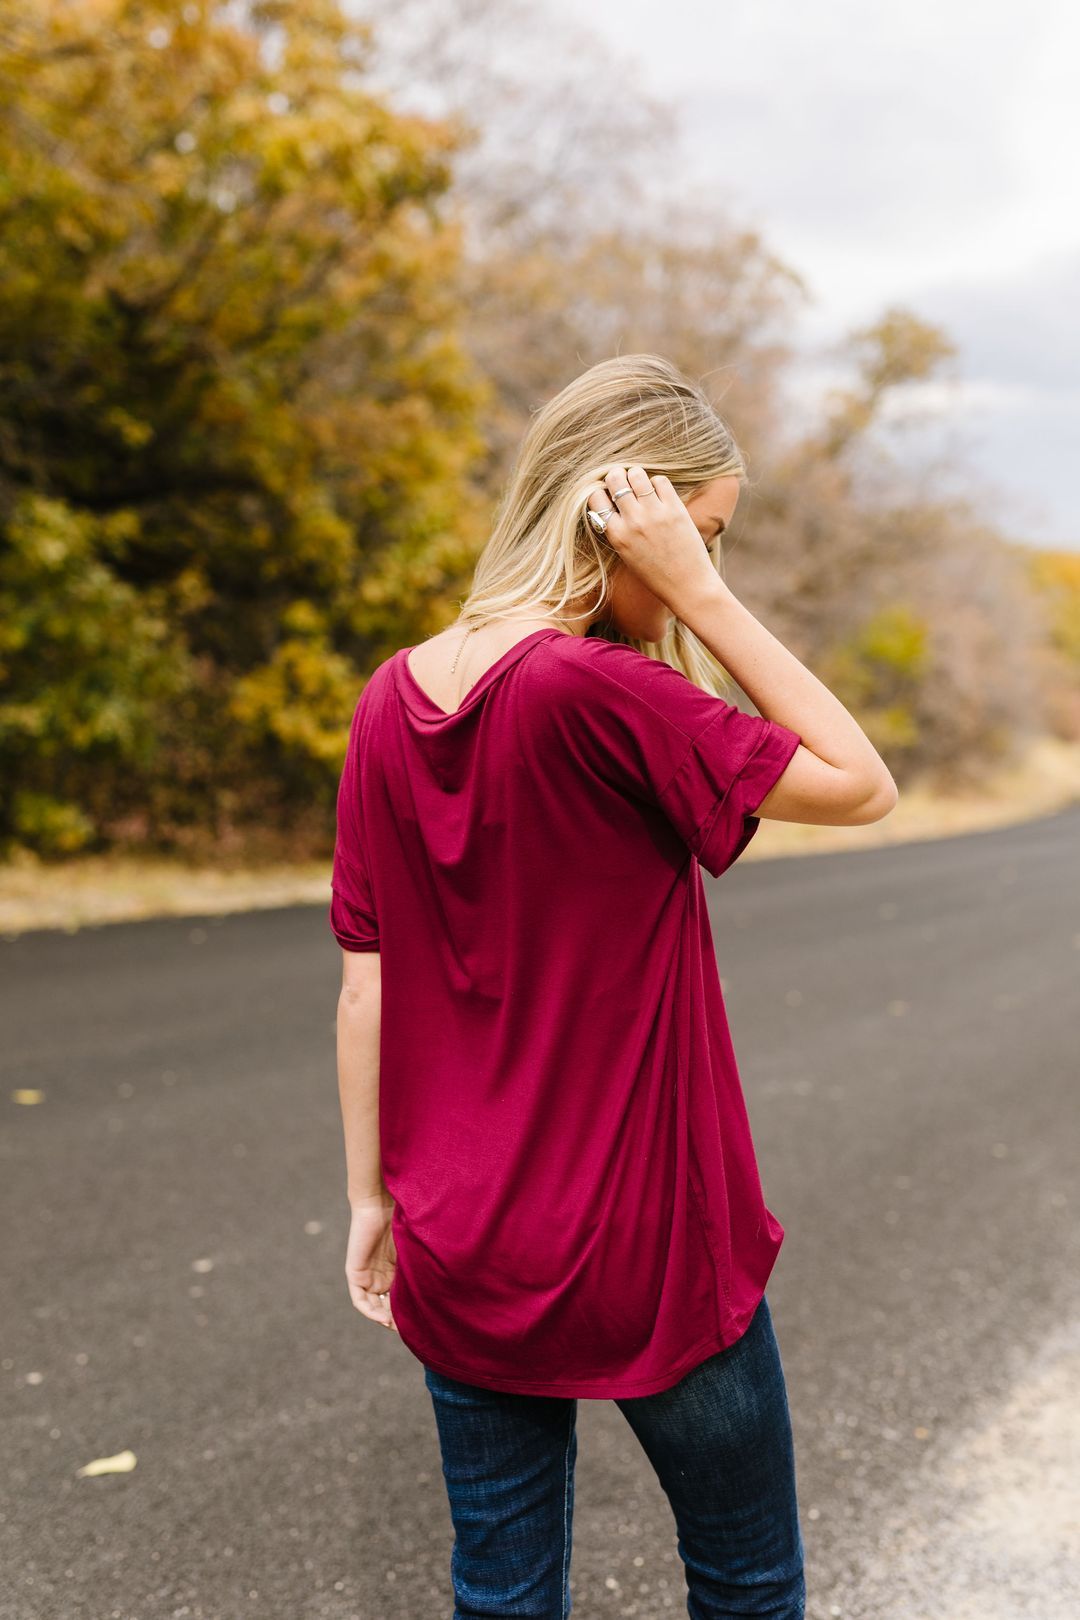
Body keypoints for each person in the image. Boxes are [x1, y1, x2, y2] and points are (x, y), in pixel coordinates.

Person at [329, 353, 898, 1619]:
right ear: (615, 512)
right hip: (646, 1243)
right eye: (702, 536)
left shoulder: (389, 700)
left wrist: (370, 1200)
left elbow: (363, 988)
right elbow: (861, 781)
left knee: (502, 1596)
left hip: (459, 1237)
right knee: (747, 1583)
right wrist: (710, 603)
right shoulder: (605, 688)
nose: (707, 565)